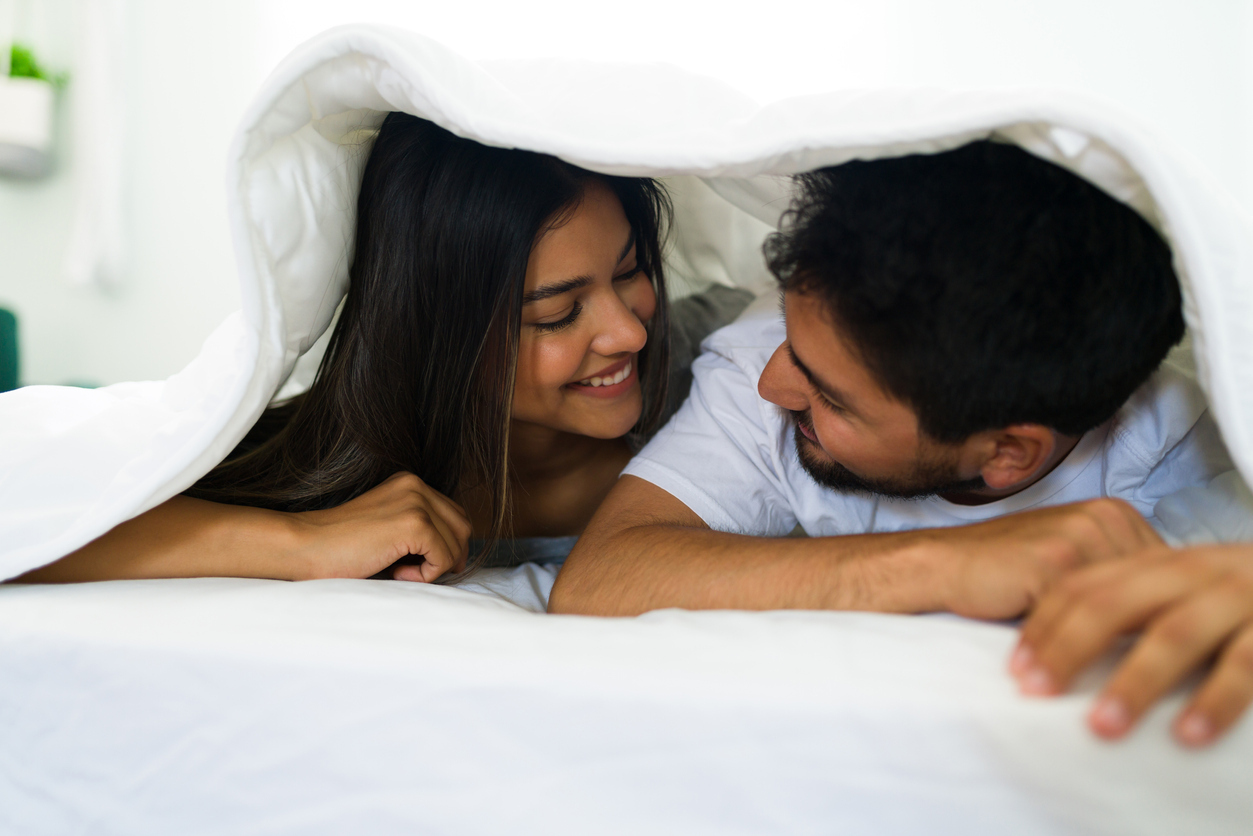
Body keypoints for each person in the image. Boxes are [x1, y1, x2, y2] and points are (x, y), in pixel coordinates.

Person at [550, 140, 1251, 745]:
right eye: (789, 342)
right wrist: (939, 564)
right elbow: (600, 579)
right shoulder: (801, 335)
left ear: (1008, 454)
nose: (773, 386)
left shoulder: (1182, 466)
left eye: (831, 398)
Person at [14, 113, 753, 584]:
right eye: (557, 315)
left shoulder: (736, 368)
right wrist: (298, 543)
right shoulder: (346, 467)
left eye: (630, 271)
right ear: (439, 334)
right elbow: (31, 517)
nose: (629, 332)